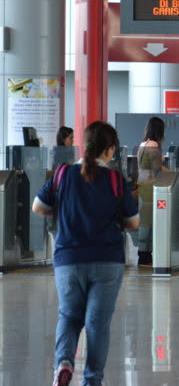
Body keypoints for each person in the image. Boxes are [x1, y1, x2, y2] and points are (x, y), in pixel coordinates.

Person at [32, 121, 139, 386]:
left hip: (69, 259)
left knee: (69, 316)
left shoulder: (62, 174)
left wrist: (61, 213)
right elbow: (133, 222)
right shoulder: (114, 179)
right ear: (110, 148)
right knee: (97, 324)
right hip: (107, 261)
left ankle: (64, 363)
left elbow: (38, 206)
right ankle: (92, 381)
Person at [136, 116, 167, 266]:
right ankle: (145, 256)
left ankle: (143, 254)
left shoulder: (143, 143)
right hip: (150, 187)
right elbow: (157, 170)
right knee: (149, 223)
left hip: (142, 186)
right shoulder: (153, 145)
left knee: (144, 221)